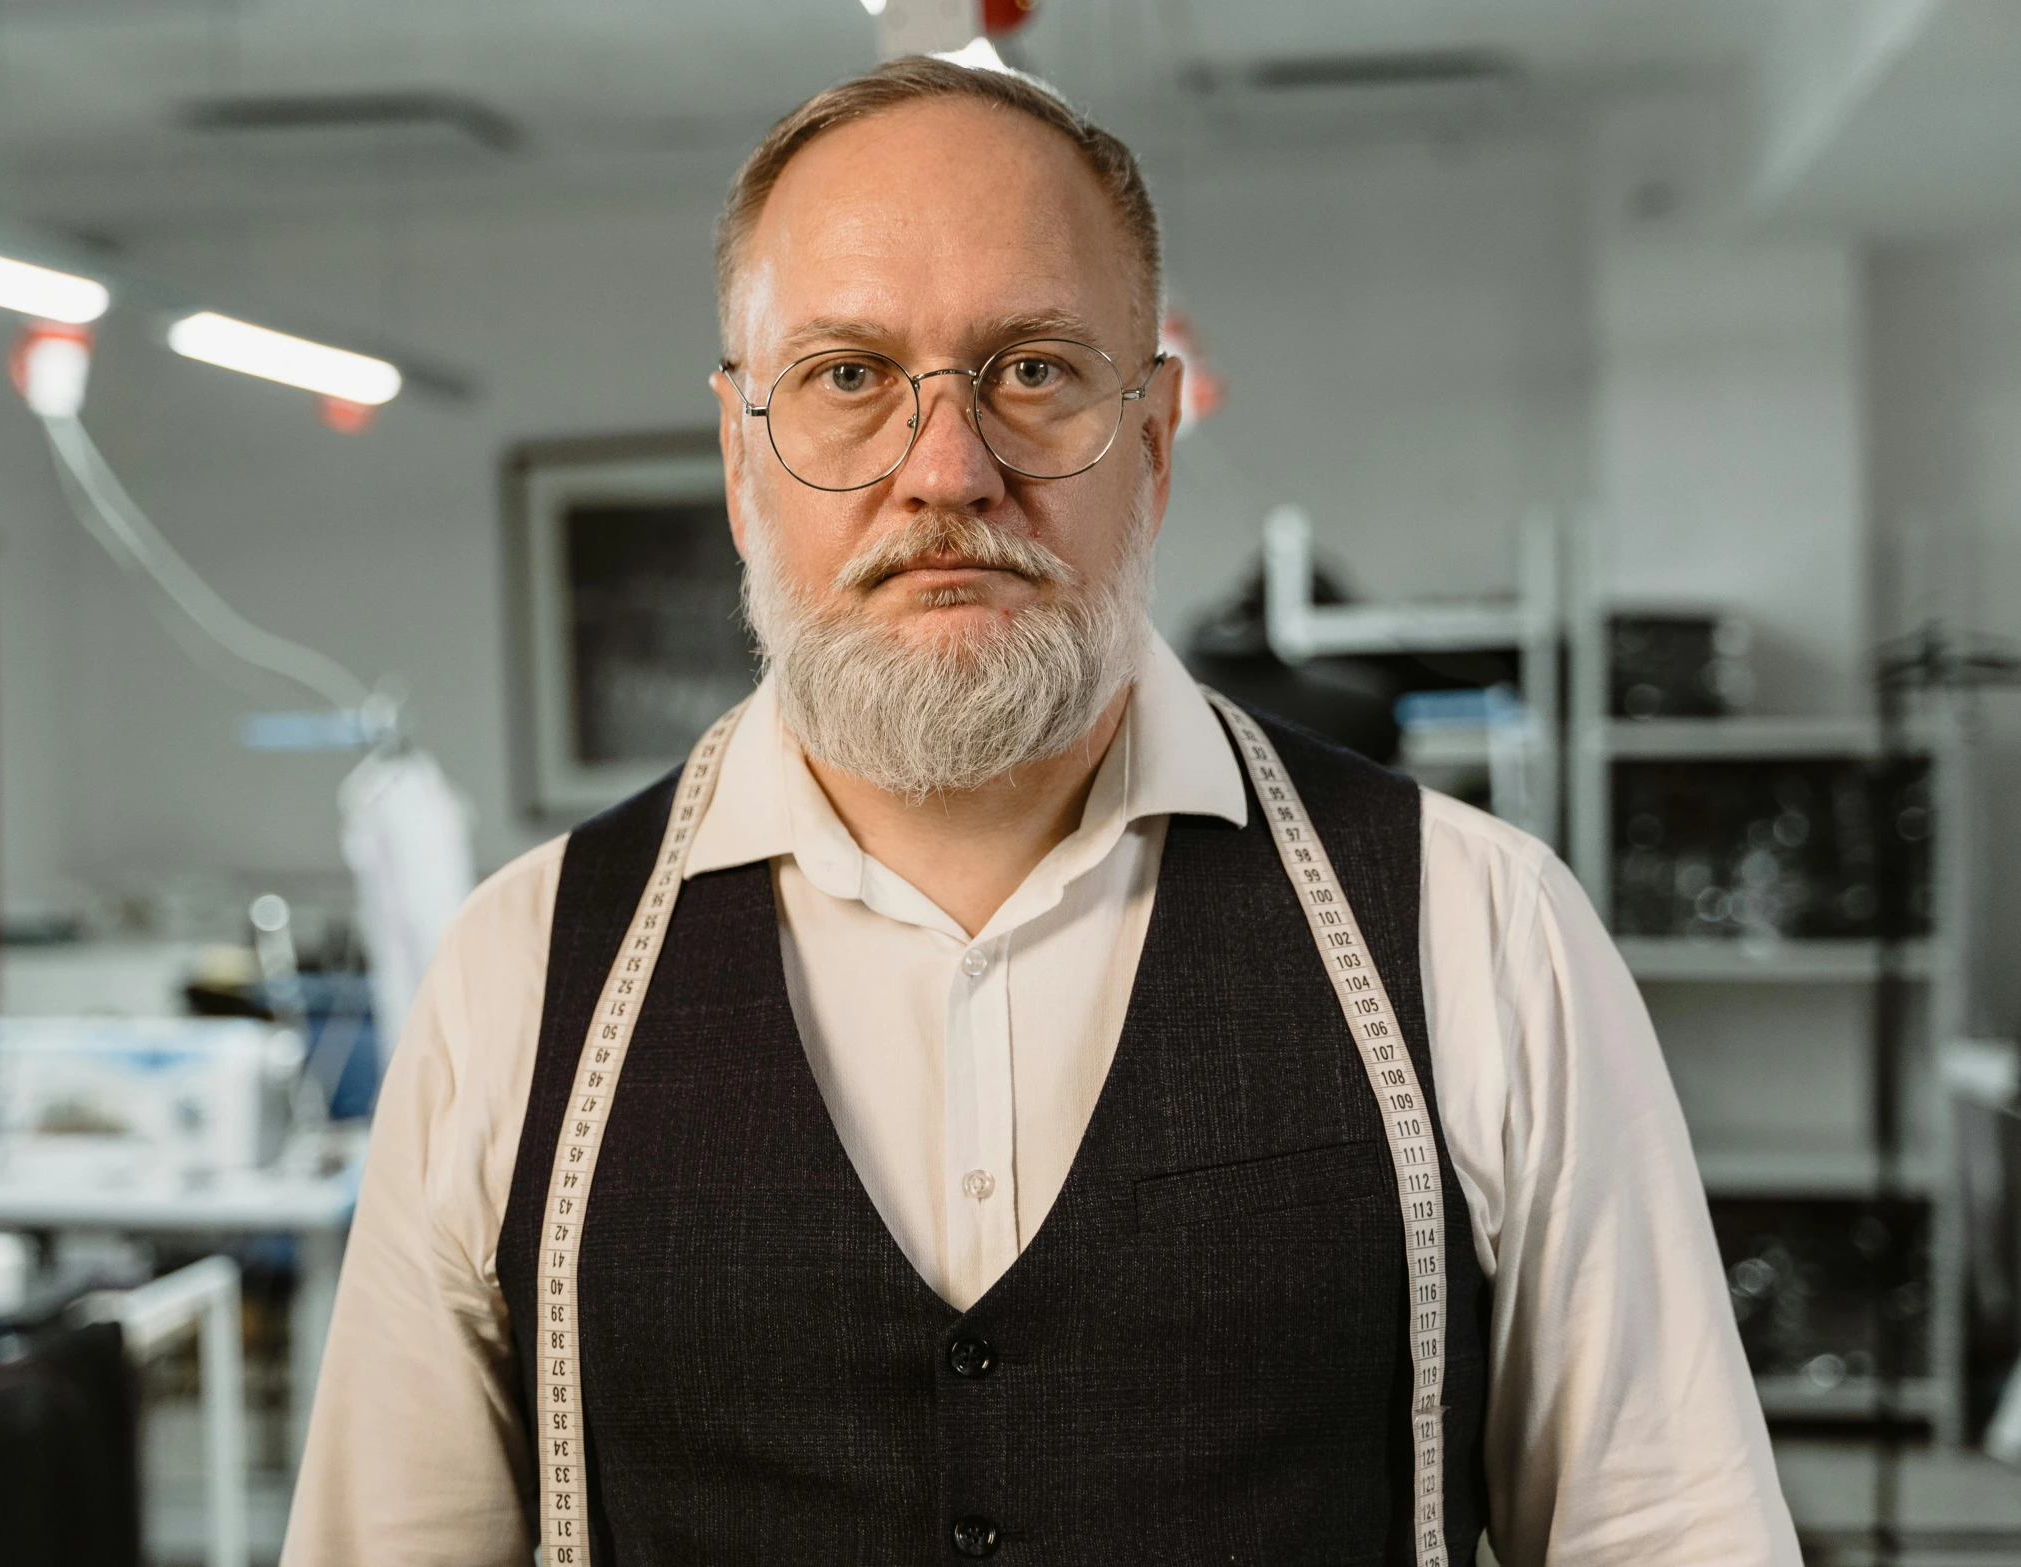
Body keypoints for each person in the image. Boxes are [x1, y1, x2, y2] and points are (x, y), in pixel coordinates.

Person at [283, 57, 1797, 1566]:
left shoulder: (1478, 932)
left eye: (1030, 370)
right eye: (848, 376)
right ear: (743, 456)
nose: (945, 472)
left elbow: (1669, 1531)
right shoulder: (518, 976)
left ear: (1148, 437)